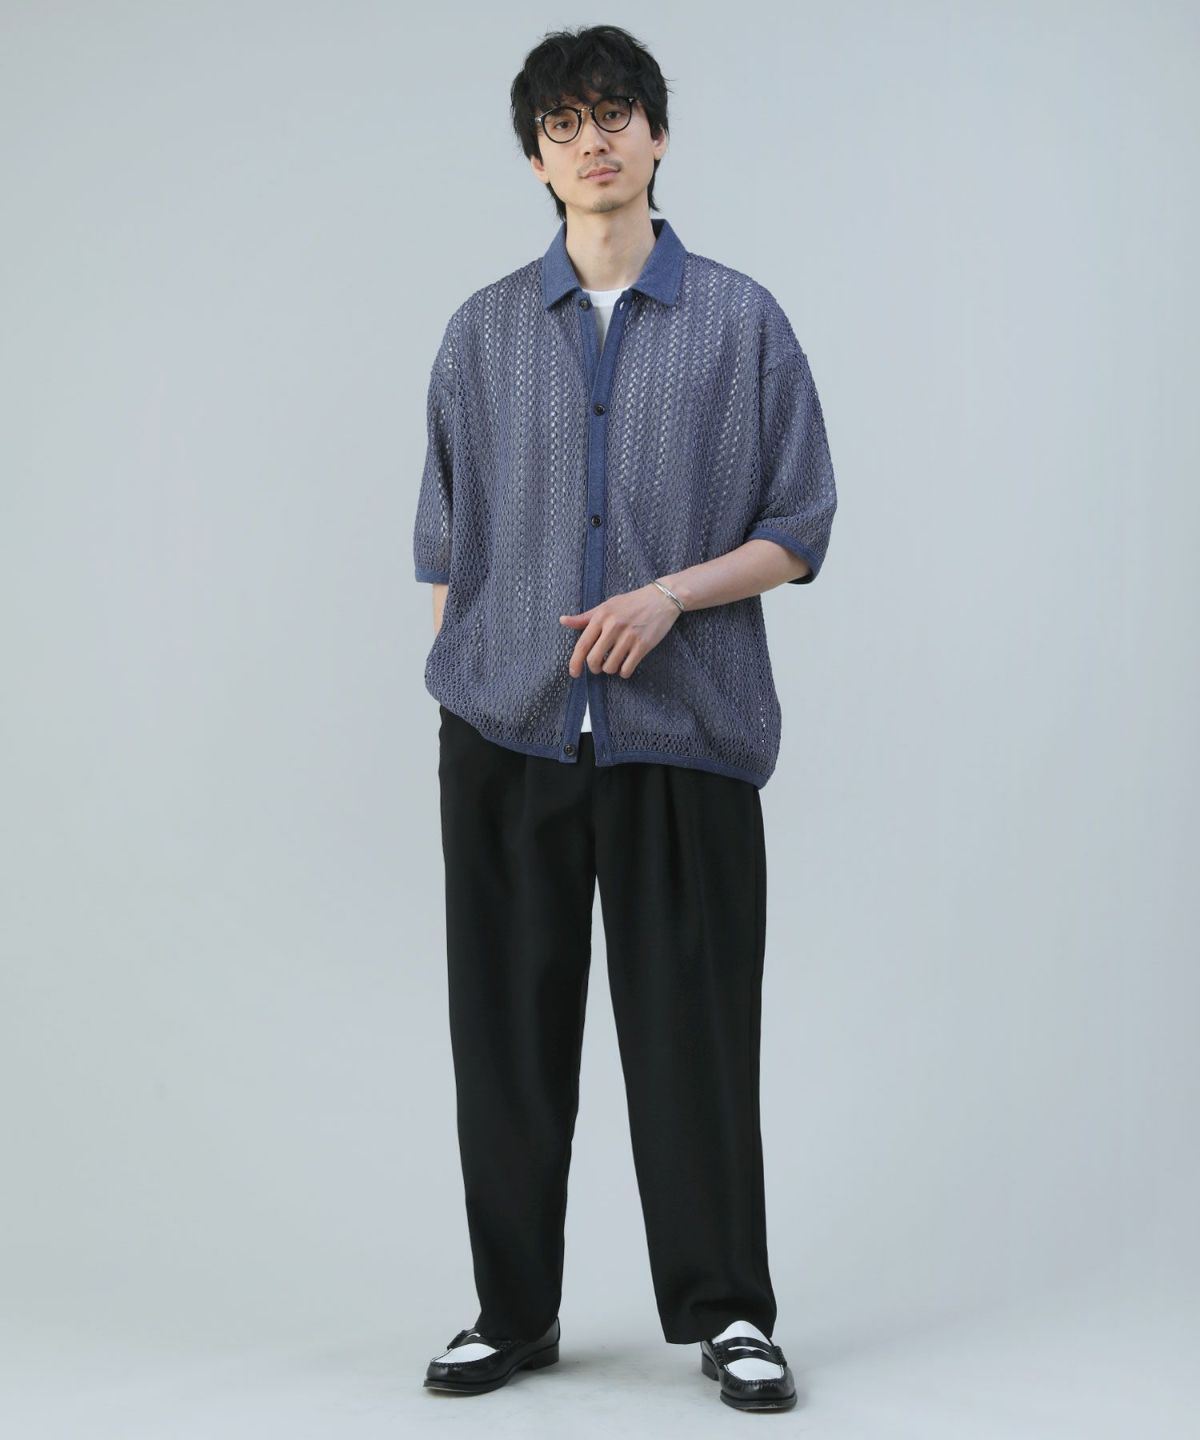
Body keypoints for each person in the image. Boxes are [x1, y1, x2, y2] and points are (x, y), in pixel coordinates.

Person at [414, 23, 836, 1413]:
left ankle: (732, 1314)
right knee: (505, 1038)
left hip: (685, 734)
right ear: (537, 160)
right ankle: (513, 1312)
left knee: (694, 1037)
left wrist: (668, 598)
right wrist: (473, 687)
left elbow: (799, 523)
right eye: (565, 125)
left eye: (615, 116)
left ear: (658, 135)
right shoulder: (482, 332)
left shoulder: (742, 321)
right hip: (507, 737)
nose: (592, 143)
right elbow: (446, 545)